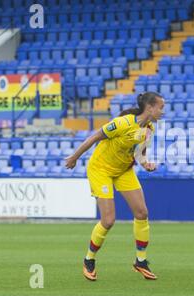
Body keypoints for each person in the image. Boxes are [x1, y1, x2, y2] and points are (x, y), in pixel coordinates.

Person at [65, 92, 165, 281]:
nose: (162, 111)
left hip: (123, 170)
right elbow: (95, 137)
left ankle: (140, 261)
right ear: (150, 108)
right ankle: (89, 259)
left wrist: (146, 164)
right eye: (160, 107)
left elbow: (139, 153)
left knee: (142, 213)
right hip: (101, 169)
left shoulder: (149, 129)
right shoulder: (123, 123)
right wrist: (74, 157)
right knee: (109, 220)